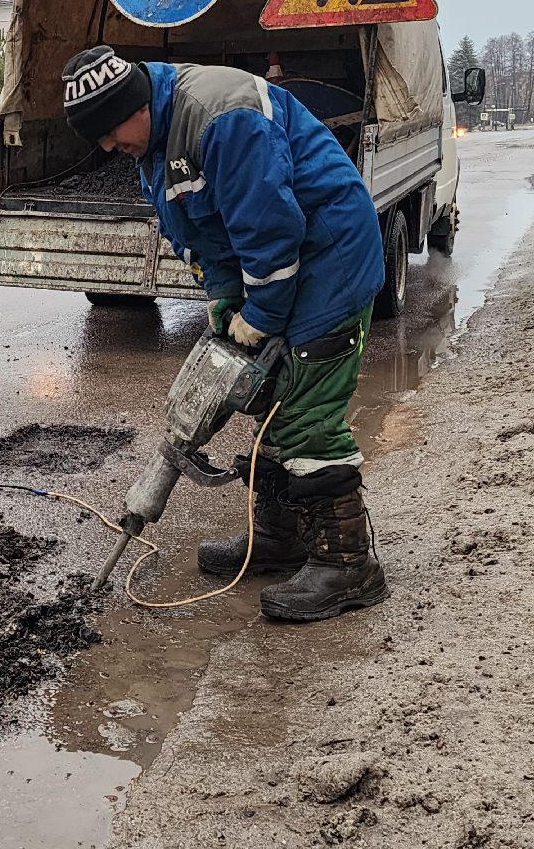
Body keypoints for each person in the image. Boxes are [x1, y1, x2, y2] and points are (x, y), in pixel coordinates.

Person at [61, 45, 386, 621]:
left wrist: (260, 316)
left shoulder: (221, 118)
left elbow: (269, 228)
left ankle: (348, 565)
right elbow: (202, 232)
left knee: (305, 412)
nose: (108, 146)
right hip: (287, 259)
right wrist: (224, 297)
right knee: (272, 402)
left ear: (137, 104)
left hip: (328, 255)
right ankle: (279, 538)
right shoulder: (155, 143)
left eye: (110, 131)